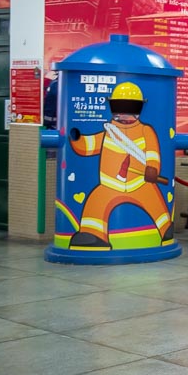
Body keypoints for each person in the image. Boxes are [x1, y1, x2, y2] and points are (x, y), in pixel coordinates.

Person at [67, 81, 173, 249]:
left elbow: (152, 151)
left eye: (130, 108)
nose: (124, 114)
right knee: (96, 202)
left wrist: (152, 168)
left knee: (155, 202)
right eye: (120, 107)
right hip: (109, 185)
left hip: (140, 183)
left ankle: (166, 228)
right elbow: (91, 144)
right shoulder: (109, 132)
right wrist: (76, 139)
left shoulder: (145, 130)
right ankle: (92, 234)